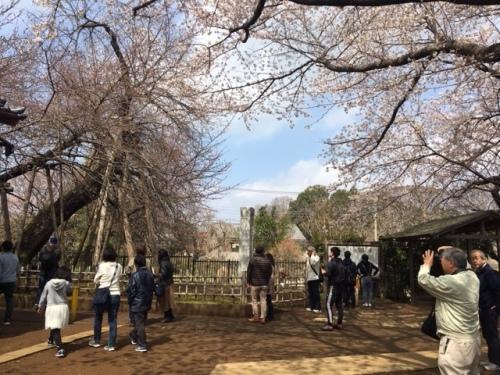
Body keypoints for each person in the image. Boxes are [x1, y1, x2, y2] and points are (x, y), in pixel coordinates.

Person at [418, 247, 480, 375]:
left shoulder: (450, 282)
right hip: (472, 340)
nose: (440, 262)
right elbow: (465, 265)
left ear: (451, 263)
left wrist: (426, 264)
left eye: (442, 259)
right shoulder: (472, 277)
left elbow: (423, 279)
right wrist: (453, 249)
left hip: (455, 344)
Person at [469, 249, 500, 371]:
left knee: (492, 336)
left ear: (483, 259)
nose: (475, 260)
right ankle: (492, 359)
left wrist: (496, 308)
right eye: (472, 258)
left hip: (489, 310)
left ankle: (496, 362)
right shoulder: (478, 273)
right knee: (488, 335)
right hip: (483, 309)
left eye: (477, 258)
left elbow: (498, 291)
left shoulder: (489, 273)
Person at [89, 248, 123, 351]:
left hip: (103, 294)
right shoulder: (119, 266)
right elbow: (119, 277)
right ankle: (111, 344)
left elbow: (96, 280)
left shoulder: (102, 266)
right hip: (115, 294)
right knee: (112, 319)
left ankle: (96, 340)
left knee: (98, 318)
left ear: (104, 256)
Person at [38, 266, 72, 358]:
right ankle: (51, 339)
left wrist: (40, 306)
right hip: (63, 307)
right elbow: (70, 291)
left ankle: (60, 348)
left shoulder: (49, 283)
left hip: (52, 307)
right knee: (55, 326)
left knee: (55, 327)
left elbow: (43, 296)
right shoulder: (67, 283)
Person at [127, 254, 155, 352]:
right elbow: (152, 288)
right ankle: (134, 336)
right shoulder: (150, 275)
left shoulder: (135, 275)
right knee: (141, 322)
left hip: (137, 302)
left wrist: (130, 301)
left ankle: (142, 344)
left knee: (139, 324)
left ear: (136, 264)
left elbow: (131, 291)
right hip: (146, 301)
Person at [246, 245, 273, 324]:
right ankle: (263, 318)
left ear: (256, 251)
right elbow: (270, 272)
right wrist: (266, 279)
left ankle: (256, 316)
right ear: (263, 251)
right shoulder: (267, 261)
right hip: (264, 284)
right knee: (263, 301)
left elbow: (249, 271)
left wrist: (248, 281)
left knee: (254, 300)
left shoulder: (253, 260)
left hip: (255, 284)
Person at [322, 247, 345, 331]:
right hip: (341, 287)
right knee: (339, 305)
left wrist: (323, 272)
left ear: (332, 253)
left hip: (334, 286)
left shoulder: (332, 263)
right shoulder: (341, 263)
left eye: (330, 252)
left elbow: (328, 274)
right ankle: (339, 323)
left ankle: (330, 324)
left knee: (328, 304)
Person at [36, 237, 61, 307]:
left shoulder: (43, 249)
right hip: (52, 272)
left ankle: (38, 303)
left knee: (41, 288)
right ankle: (48, 303)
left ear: (49, 242)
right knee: (51, 288)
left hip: (43, 271)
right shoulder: (57, 251)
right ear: (56, 243)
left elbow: (40, 258)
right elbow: (58, 259)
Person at [0, 240, 19, 325]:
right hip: (11, 281)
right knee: (9, 300)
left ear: (3, 248)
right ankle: (7, 319)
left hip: (2, 281)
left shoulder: (1, 257)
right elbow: (17, 270)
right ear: (11, 248)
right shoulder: (15, 257)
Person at [157, 249, 175, 323]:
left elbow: (163, 274)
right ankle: (170, 315)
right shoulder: (169, 262)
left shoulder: (163, 263)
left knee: (164, 301)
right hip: (170, 283)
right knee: (169, 301)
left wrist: (156, 275)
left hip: (164, 284)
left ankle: (167, 316)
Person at [305, 245, 321, 313]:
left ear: (311, 252)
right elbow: (307, 269)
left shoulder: (316, 257)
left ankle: (317, 308)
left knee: (315, 293)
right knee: (311, 293)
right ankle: (311, 306)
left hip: (315, 278)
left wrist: (312, 255)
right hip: (310, 278)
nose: (307, 253)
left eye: (308, 251)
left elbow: (313, 263)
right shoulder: (309, 258)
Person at [265, 253, 275, 322]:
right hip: (271, 282)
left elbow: (268, 275)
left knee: (268, 300)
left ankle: (270, 315)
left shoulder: (269, 266)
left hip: (268, 282)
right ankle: (270, 315)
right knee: (268, 300)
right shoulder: (272, 265)